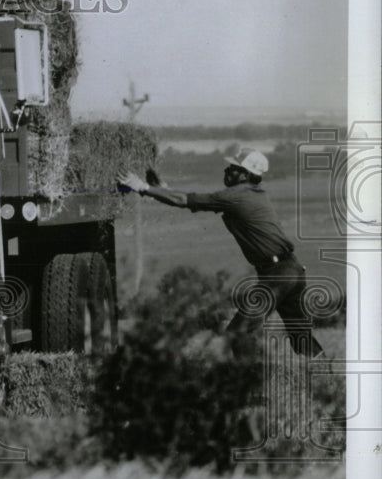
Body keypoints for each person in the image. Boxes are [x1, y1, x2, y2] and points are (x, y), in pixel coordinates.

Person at [119, 148, 324, 359]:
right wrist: (159, 190)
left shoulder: (237, 196)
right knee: (301, 337)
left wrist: (142, 187)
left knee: (239, 332)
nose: (227, 170)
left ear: (245, 175)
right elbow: (188, 198)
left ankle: (251, 384)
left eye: (234, 168)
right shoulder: (249, 193)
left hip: (278, 274)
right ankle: (325, 377)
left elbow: (185, 200)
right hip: (290, 270)